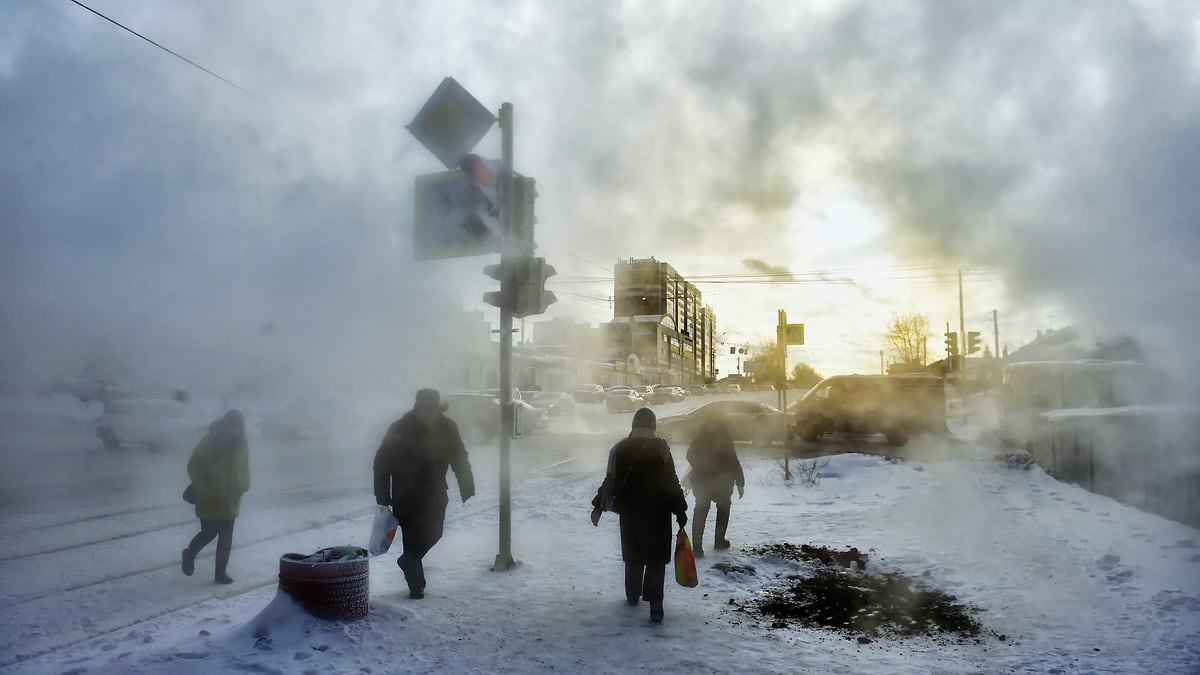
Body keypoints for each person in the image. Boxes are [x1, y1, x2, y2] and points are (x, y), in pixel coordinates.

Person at [374, 389, 475, 599]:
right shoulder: (399, 429)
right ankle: (416, 587)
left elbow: (459, 457)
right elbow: (382, 464)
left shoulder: (448, 428)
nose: (429, 414)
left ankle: (408, 561)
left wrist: (466, 484)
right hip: (405, 495)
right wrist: (382, 496)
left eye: (433, 410)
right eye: (425, 410)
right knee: (411, 540)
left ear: (438, 410)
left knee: (435, 532)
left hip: (435, 493)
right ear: (417, 408)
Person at [590, 407, 688, 623]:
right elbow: (671, 482)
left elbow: (610, 481)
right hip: (658, 514)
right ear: (653, 426)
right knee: (655, 560)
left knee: (633, 556)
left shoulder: (620, 448)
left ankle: (633, 595)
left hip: (631, 514)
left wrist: (598, 506)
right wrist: (680, 510)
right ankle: (655, 605)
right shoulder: (662, 448)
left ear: (633, 425)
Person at [182, 410, 251, 584]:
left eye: (238, 426)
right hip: (210, 499)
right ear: (226, 424)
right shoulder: (210, 441)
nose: (235, 430)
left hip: (231, 499)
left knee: (226, 538)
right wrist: (205, 488)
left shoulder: (242, 443)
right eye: (232, 425)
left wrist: (244, 485)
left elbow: (245, 468)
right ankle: (189, 554)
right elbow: (193, 466)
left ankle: (220, 574)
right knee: (209, 532)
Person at [685, 416, 745, 559]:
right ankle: (719, 540)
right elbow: (734, 461)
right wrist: (740, 482)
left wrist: (700, 467)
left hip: (701, 482)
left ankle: (697, 548)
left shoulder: (698, 439)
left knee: (700, 510)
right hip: (722, 483)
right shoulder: (725, 439)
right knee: (723, 509)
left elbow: (689, 455)